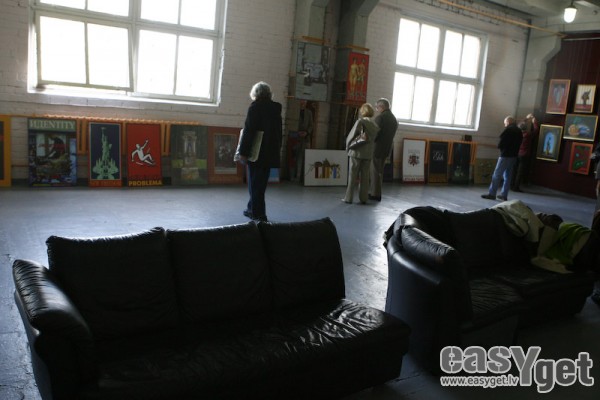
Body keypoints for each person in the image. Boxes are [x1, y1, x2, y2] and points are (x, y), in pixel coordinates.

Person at [237, 81, 282, 222]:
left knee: (254, 184)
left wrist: (243, 152)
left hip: (256, 152)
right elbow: (279, 132)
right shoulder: (276, 109)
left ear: (255, 93)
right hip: (270, 152)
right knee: (260, 184)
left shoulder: (255, 108)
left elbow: (249, 131)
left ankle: (259, 214)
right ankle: (251, 208)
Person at [342, 103, 380, 204]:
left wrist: (347, 146)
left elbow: (351, 136)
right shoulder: (375, 125)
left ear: (363, 111)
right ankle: (363, 198)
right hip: (368, 154)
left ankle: (348, 198)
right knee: (365, 177)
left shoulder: (360, 122)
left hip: (356, 153)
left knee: (352, 176)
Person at [481, 116, 523, 201]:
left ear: (508, 122)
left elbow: (501, 144)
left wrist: (501, 148)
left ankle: (492, 194)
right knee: (508, 176)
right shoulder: (519, 131)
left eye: (505, 123)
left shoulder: (508, 130)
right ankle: (504, 195)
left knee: (497, 175)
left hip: (505, 155)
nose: (505, 125)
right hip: (514, 156)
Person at [369, 98, 398, 201]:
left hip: (377, 148)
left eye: (377, 107)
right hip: (387, 149)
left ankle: (375, 194)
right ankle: (377, 192)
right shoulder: (394, 119)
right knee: (380, 171)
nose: (377, 109)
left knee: (375, 172)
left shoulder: (380, 118)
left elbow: (374, 134)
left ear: (382, 106)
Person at [511, 113, 538, 192]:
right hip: (524, 155)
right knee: (520, 172)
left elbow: (519, 124)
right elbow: (536, 130)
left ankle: (511, 185)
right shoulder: (528, 135)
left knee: (514, 170)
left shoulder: (516, 134)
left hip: (516, 153)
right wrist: (534, 122)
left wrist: (526, 118)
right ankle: (516, 187)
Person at [293, 99, 313, 183]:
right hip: (295, 138)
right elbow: (292, 123)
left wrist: (307, 132)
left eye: (304, 101)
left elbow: (311, 125)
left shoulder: (309, 112)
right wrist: (297, 132)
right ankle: (294, 176)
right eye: (302, 101)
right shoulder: (294, 111)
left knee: (305, 157)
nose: (303, 103)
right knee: (295, 157)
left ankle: (303, 177)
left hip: (305, 138)